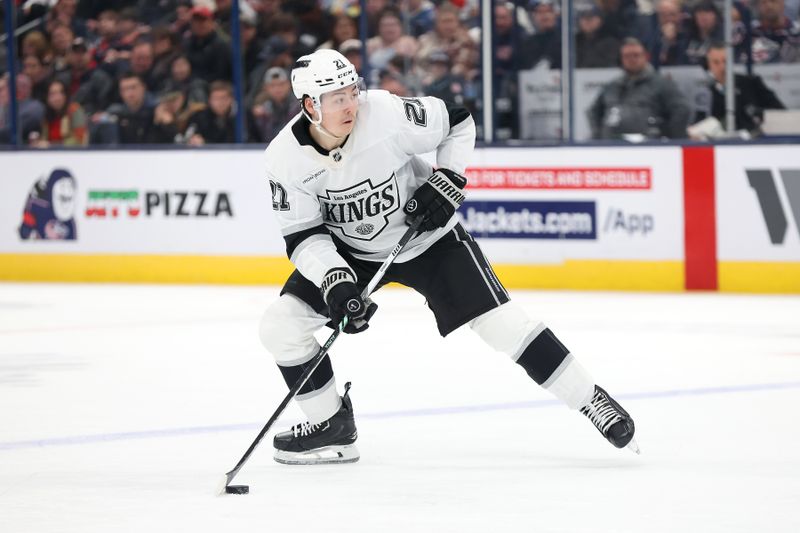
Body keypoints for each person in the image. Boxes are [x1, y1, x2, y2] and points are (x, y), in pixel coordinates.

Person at [259, 49, 638, 465]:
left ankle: (590, 399)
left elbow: (457, 121)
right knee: (280, 327)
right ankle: (332, 427)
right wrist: (336, 281)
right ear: (310, 104)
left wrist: (448, 178)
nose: (351, 104)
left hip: (428, 239)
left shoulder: (384, 112)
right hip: (352, 254)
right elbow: (303, 234)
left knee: (505, 327)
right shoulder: (284, 159)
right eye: (337, 98)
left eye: (353, 91)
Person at [588, 38, 690, 140]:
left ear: (646, 57)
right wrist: (599, 135)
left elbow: (682, 109)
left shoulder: (661, 84)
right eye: (627, 56)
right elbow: (593, 111)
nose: (631, 59)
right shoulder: (612, 86)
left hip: (648, 146)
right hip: (611, 146)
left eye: (636, 55)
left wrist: (670, 137)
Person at [692, 42, 785, 135]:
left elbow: (779, 111)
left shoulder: (751, 83)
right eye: (716, 62)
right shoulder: (706, 92)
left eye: (725, 61)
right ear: (709, 66)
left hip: (756, 141)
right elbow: (699, 125)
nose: (722, 67)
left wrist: (758, 115)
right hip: (722, 144)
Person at [32, 79, 88, 147]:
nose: (57, 98)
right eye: (52, 94)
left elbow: (79, 139)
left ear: (65, 95)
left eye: (60, 93)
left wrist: (52, 145)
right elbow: (44, 139)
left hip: (71, 155)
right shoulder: (47, 115)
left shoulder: (75, 110)